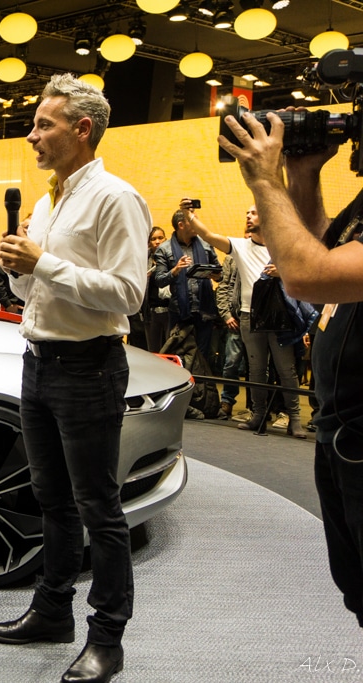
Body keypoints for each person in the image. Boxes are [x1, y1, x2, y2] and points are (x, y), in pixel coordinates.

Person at [0, 74, 148, 683]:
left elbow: (129, 295)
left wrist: (43, 262)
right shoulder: (50, 200)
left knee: (99, 509)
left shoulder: (115, 198)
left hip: (89, 368)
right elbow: (35, 291)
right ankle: (52, 612)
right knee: (52, 501)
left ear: (81, 129)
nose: (32, 135)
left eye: (43, 125)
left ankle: (107, 638)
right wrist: (19, 270)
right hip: (40, 363)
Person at [219, 105, 363, 630]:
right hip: (343, 433)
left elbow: (306, 273)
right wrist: (302, 173)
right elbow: (322, 245)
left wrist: (264, 179)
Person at [181, 203, 307, 438]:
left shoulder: (283, 247)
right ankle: (258, 415)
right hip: (249, 316)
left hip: (279, 317)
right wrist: (190, 215)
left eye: (254, 212)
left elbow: (305, 272)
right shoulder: (239, 246)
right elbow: (208, 235)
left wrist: (284, 273)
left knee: (286, 369)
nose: (248, 216)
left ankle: (295, 419)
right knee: (256, 370)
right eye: (246, 212)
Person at [153, 207, 221, 359]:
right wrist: (176, 270)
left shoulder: (205, 244)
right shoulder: (164, 249)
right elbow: (159, 280)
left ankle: (200, 383)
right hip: (179, 312)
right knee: (178, 356)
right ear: (181, 225)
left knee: (203, 357)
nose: (197, 224)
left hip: (204, 311)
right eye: (193, 221)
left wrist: (215, 275)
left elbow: (219, 275)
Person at [214, 229, 249, 419]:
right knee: (231, 364)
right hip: (235, 319)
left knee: (259, 368)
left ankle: (256, 407)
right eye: (245, 233)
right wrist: (226, 315)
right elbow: (223, 287)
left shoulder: (267, 253)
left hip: (256, 322)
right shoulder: (231, 257)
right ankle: (227, 401)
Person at [142, 226, 170, 353]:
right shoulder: (143, 259)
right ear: (148, 242)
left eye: (160, 238)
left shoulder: (171, 257)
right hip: (151, 311)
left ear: (166, 239)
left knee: (170, 349)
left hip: (170, 310)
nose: (157, 242)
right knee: (153, 351)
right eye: (153, 239)